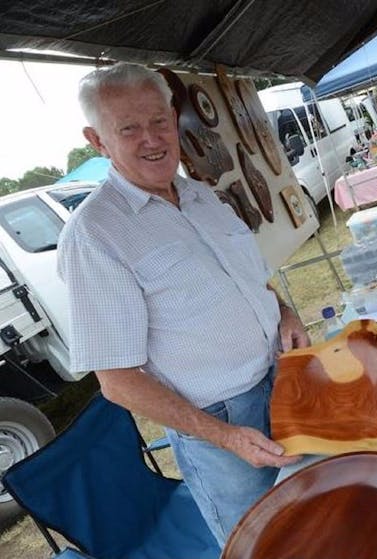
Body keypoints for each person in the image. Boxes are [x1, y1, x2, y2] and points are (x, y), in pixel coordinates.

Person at [57, 62, 309, 547]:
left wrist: (284, 313)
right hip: (219, 421)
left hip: (281, 379)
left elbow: (247, 280)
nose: (151, 138)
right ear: (97, 141)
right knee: (261, 540)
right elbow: (118, 382)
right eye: (128, 128)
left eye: (158, 121)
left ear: (174, 118)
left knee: (312, 509)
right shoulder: (95, 234)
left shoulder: (199, 192)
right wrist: (225, 436)